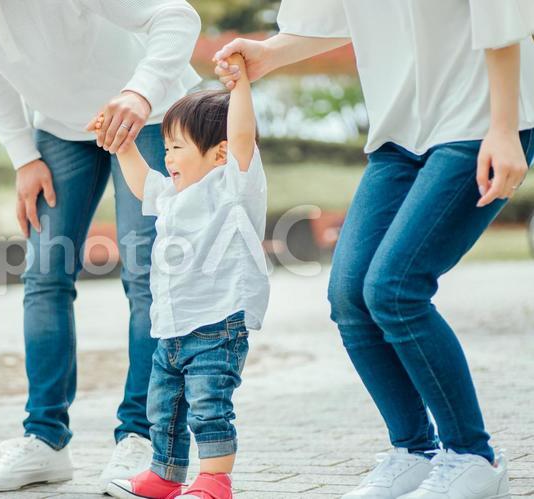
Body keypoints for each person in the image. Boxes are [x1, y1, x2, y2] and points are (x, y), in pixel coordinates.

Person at [214, 1, 534, 498]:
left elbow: (500, 17)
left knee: (395, 289)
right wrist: (268, 54)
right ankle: (414, 451)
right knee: (350, 297)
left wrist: (504, 126)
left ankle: (474, 457)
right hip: (399, 133)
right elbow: (332, 19)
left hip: (478, 121)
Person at [0, 0, 201, 492]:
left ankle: (143, 439)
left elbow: (177, 16)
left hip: (151, 116)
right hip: (64, 131)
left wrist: (139, 92)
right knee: (43, 274)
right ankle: (45, 440)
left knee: (146, 277)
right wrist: (24, 157)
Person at [88, 53, 269, 499]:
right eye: (166, 147)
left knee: (209, 407)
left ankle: (214, 481)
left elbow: (241, 133)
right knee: (163, 408)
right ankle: (166, 475)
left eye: (177, 147)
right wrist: (122, 146)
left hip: (217, 323)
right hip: (171, 326)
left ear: (219, 151)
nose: (168, 157)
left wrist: (239, 87)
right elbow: (140, 183)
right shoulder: (171, 193)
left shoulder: (233, 184)